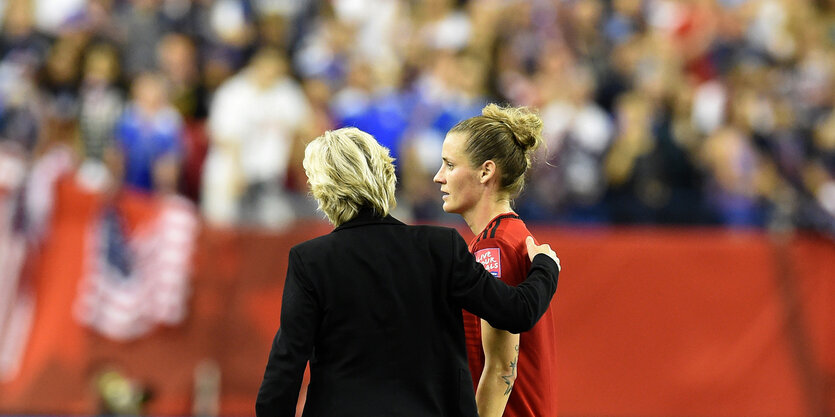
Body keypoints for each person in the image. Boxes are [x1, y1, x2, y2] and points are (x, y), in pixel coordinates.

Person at [255, 127, 561, 417]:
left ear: (322, 189)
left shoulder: (311, 260)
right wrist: (545, 268)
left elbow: (285, 369)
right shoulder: (440, 247)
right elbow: (516, 312)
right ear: (386, 174)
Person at [433, 104, 558, 417]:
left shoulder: (494, 246)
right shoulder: (507, 235)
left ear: (486, 171)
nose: (439, 177)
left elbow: (502, 367)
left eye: (449, 164)